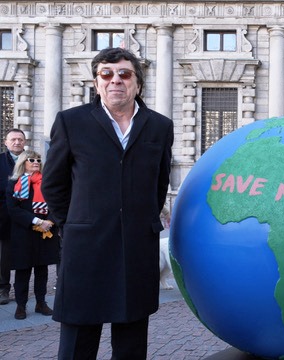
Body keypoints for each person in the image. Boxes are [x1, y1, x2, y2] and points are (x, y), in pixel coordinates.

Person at [42, 47, 173, 359]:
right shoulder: (71, 122)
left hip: (136, 250)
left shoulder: (160, 126)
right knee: (77, 345)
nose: (116, 80)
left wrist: (139, 220)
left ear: (137, 83)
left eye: (125, 74)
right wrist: (74, 223)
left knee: (130, 345)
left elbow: (159, 184)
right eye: (107, 74)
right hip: (86, 248)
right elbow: (53, 184)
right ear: (96, 82)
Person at [6, 150, 58, 319]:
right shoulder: (15, 182)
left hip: (45, 232)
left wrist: (49, 221)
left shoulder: (47, 182)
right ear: (23, 162)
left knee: (42, 270)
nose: (36, 161)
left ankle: (41, 303)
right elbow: (13, 209)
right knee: (23, 270)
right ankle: (21, 305)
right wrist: (36, 222)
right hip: (24, 232)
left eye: (38, 159)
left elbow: (56, 203)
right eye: (32, 159)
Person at [0, 129, 26, 305]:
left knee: (26, 252)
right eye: (13, 139)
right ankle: (3, 288)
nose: (17, 142)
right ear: (6, 142)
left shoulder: (33, 159)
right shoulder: (1, 160)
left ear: (24, 142)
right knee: (4, 254)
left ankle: (22, 290)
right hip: (4, 214)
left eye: (20, 139)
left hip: (26, 213)